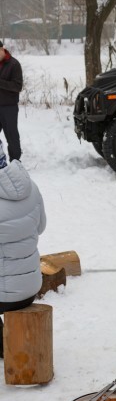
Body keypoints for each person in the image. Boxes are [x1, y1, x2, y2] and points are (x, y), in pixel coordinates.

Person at [0, 138, 46, 357]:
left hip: (4, 297)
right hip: (31, 287)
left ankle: (5, 347)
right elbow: (41, 226)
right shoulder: (30, 186)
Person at [0, 40, 23, 162]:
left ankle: (15, 162)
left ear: (2, 49)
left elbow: (17, 86)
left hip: (9, 107)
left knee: (12, 136)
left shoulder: (14, 64)